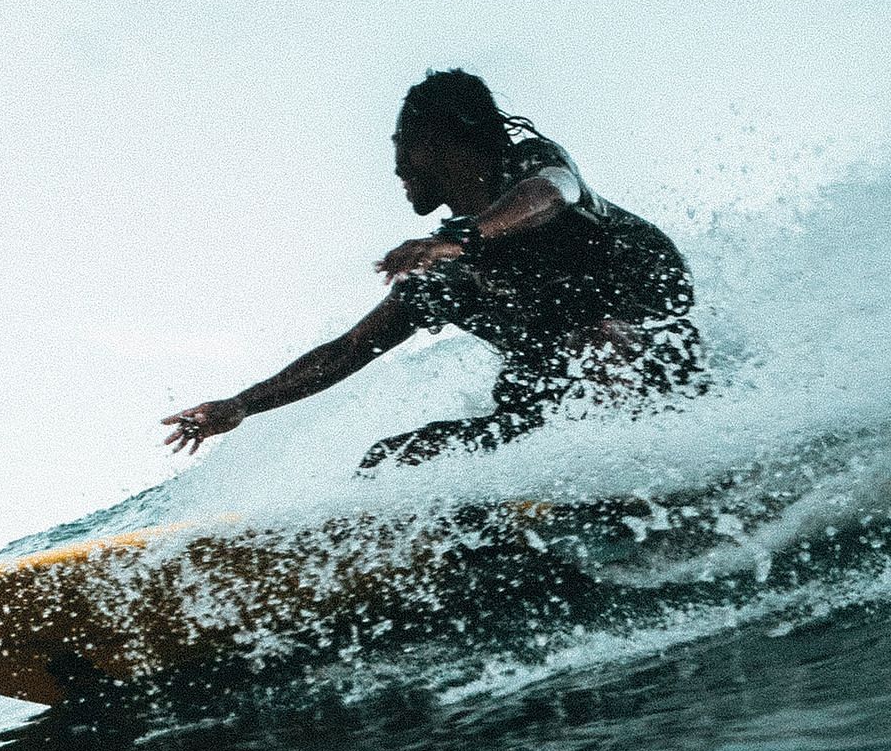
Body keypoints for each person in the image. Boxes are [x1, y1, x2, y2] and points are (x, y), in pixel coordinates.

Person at [162, 69, 703, 469]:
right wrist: (238, 406)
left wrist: (464, 238)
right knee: (395, 457)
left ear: (436, 143)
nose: (396, 164)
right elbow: (349, 350)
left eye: (401, 143)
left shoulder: (532, 168)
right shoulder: (445, 276)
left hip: (651, 347)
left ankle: (654, 465)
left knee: (599, 341)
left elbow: (552, 194)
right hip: (557, 393)